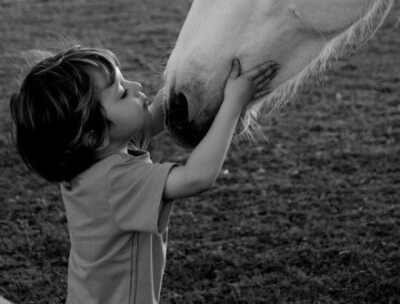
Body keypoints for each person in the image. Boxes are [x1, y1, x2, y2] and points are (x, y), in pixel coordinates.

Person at [9, 45, 279, 304]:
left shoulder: (93, 157)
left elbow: (156, 115)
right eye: (122, 93)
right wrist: (233, 103)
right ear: (93, 136)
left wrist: (195, 68)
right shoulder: (116, 181)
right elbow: (197, 177)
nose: (135, 86)